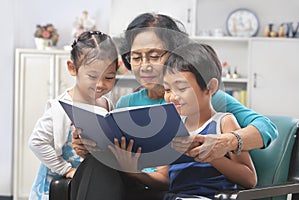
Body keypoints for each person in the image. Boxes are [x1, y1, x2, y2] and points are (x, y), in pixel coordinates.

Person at [71, 12, 277, 200]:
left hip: (173, 192)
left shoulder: (208, 99)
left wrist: (226, 142)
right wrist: (91, 147)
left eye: (154, 55)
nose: (145, 65)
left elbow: (267, 128)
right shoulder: (127, 102)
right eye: (136, 57)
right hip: (141, 182)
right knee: (97, 163)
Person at [28, 30, 118, 200]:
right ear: (73, 68)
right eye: (92, 76)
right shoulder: (61, 107)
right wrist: (66, 169)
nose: (100, 84)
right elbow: (36, 142)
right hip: (58, 185)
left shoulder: (106, 104)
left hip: (89, 182)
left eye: (109, 77)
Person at [160, 42, 257, 199]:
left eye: (182, 88)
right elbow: (164, 179)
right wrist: (131, 170)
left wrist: (209, 155)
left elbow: (249, 179)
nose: (172, 97)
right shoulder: (173, 126)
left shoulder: (224, 123)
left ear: (210, 87)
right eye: (167, 89)